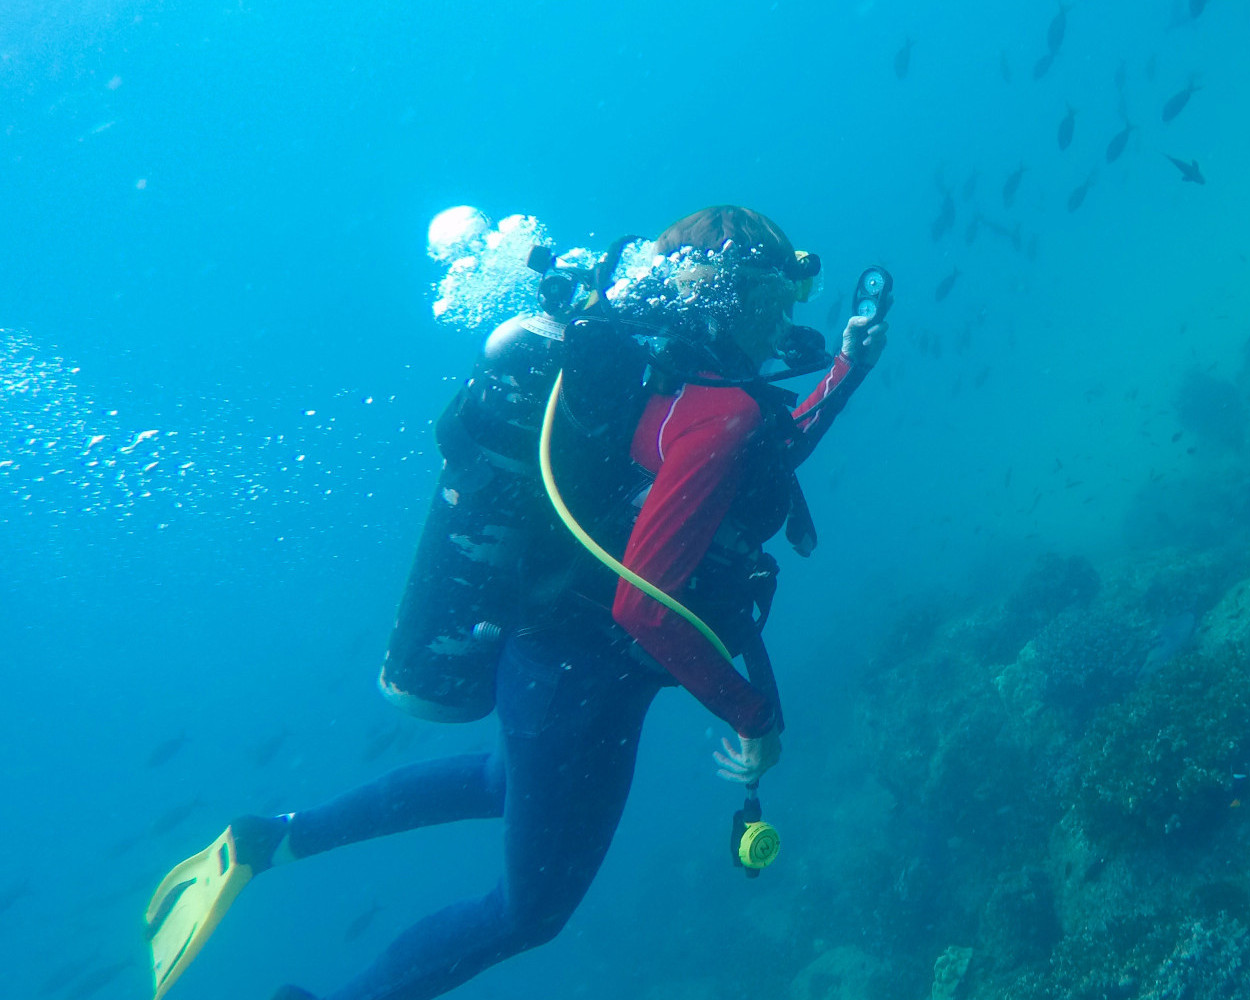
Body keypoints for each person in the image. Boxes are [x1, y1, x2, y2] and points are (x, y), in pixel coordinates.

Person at [145, 206, 888, 1000]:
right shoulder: (722, 408)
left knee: (505, 782)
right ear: (733, 294)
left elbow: (762, 457)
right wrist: (753, 718)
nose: (790, 312)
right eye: (781, 291)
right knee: (528, 916)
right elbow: (647, 607)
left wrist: (846, 372)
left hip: (555, 661)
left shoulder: (681, 372)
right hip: (583, 682)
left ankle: (269, 841)